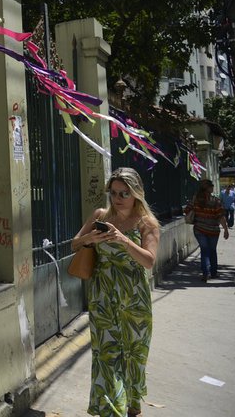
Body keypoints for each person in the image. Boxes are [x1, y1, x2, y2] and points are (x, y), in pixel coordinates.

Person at [71, 167, 160, 417]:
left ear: (136, 194)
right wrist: (91, 238)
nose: (117, 199)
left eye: (123, 194)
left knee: (134, 355)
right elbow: (74, 243)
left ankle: (132, 405)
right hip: (102, 297)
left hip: (134, 301)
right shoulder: (101, 214)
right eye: (113, 193)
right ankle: (112, 410)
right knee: (107, 355)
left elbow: (149, 261)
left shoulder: (147, 223)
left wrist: (124, 240)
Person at [185, 179, 229, 281]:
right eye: (212, 186)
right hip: (213, 230)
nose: (213, 187)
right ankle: (213, 273)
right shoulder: (216, 201)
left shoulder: (195, 199)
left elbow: (187, 210)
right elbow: (221, 216)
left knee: (204, 251)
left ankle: (205, 273)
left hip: (199, 229)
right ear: (209, 188)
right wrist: (226, 230)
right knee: (212, 251)